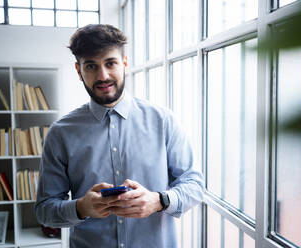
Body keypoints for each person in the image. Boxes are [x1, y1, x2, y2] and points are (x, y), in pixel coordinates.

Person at [35, 24, 204, 248]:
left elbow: (194, 185)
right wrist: (81, 208)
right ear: (79, 70)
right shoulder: (60, 133)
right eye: (91, 66)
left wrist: (160, 200)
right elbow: (45, 210)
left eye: (110, 63)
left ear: (124, 63)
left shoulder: (163, 121)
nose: (102, 75)